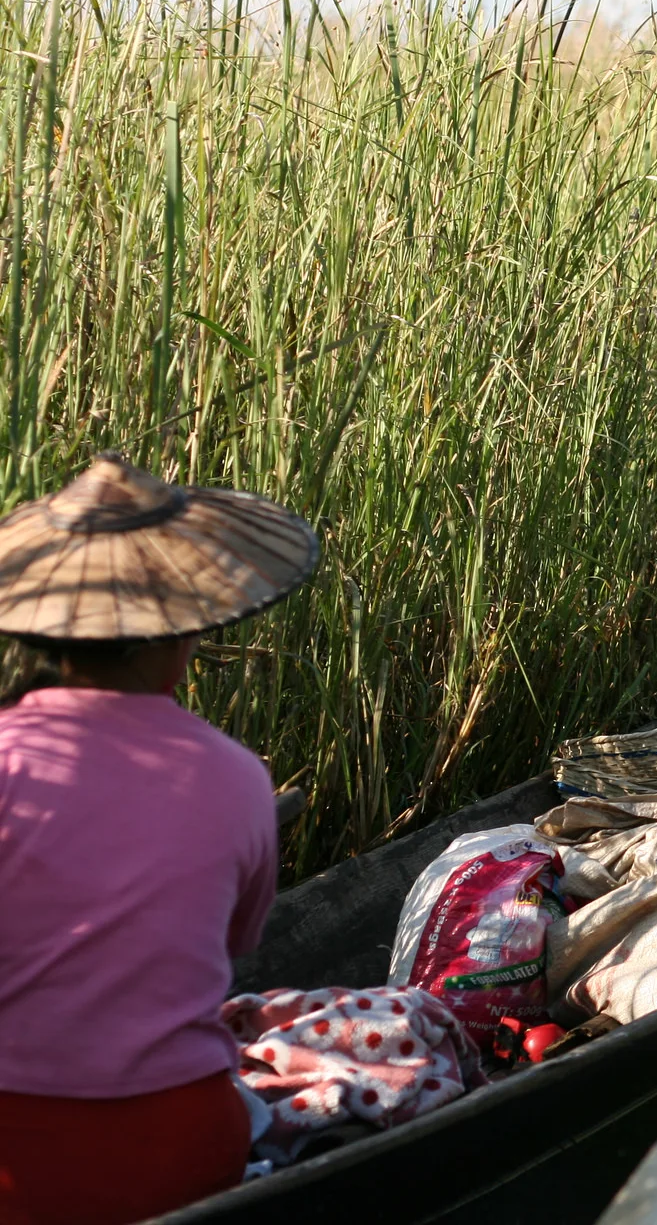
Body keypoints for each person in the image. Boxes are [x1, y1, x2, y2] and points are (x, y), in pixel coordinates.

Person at [0, 452, 319, 1225]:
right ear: (180, 639)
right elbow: (236, 941)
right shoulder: (240, 777)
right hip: (181, 1154)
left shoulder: (11, 759)